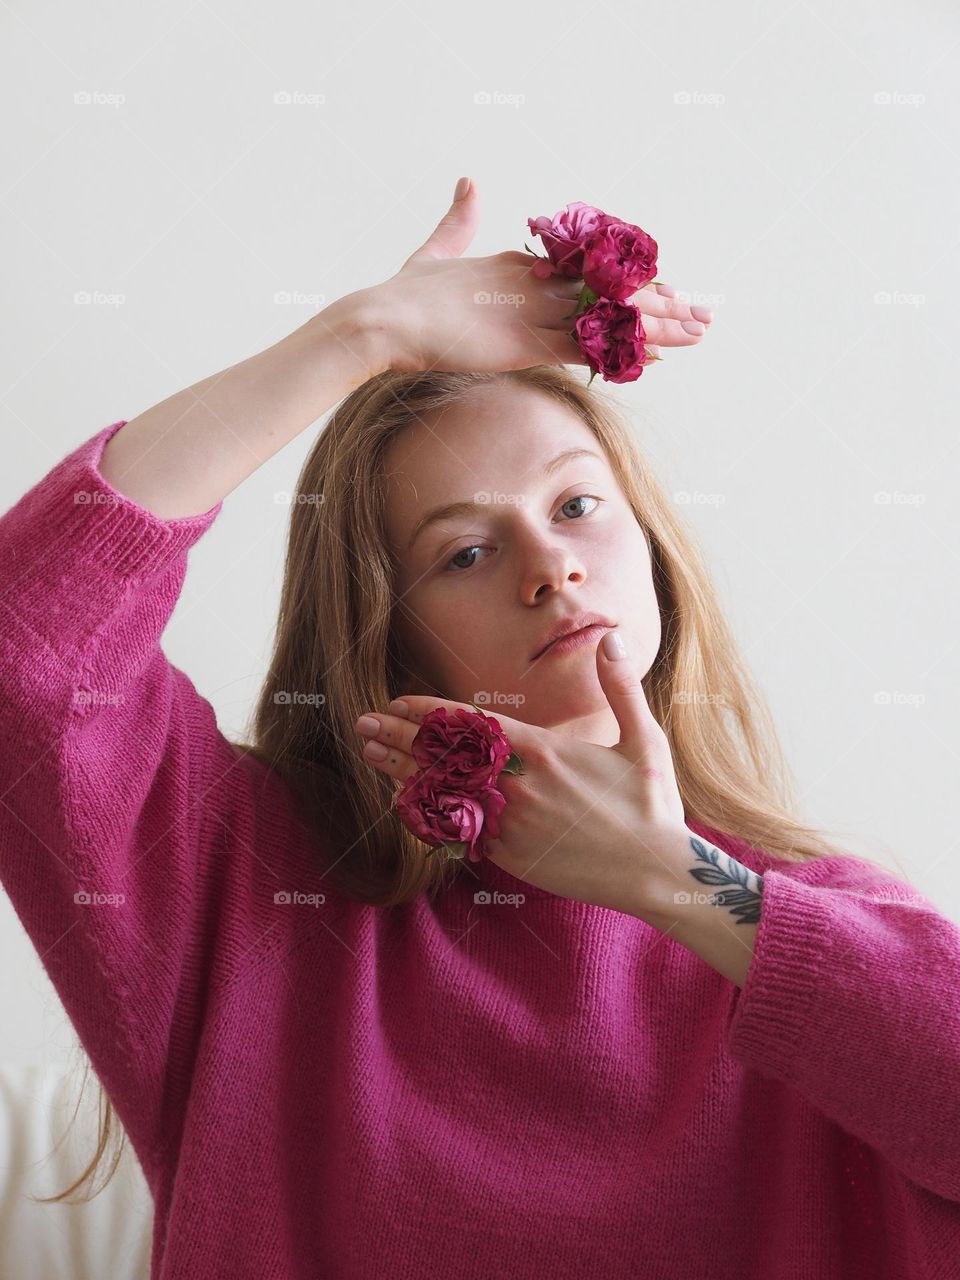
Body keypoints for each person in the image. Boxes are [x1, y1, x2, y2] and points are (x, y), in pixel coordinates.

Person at [2, 176, 959, 1280]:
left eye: (575, 507)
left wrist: (682, 884)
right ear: (387, 642)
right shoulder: (254, 895)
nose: (550, 565)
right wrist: (360, 335)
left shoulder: (814, 925)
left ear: (650, 547)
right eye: (465, 551)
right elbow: (29, 646)